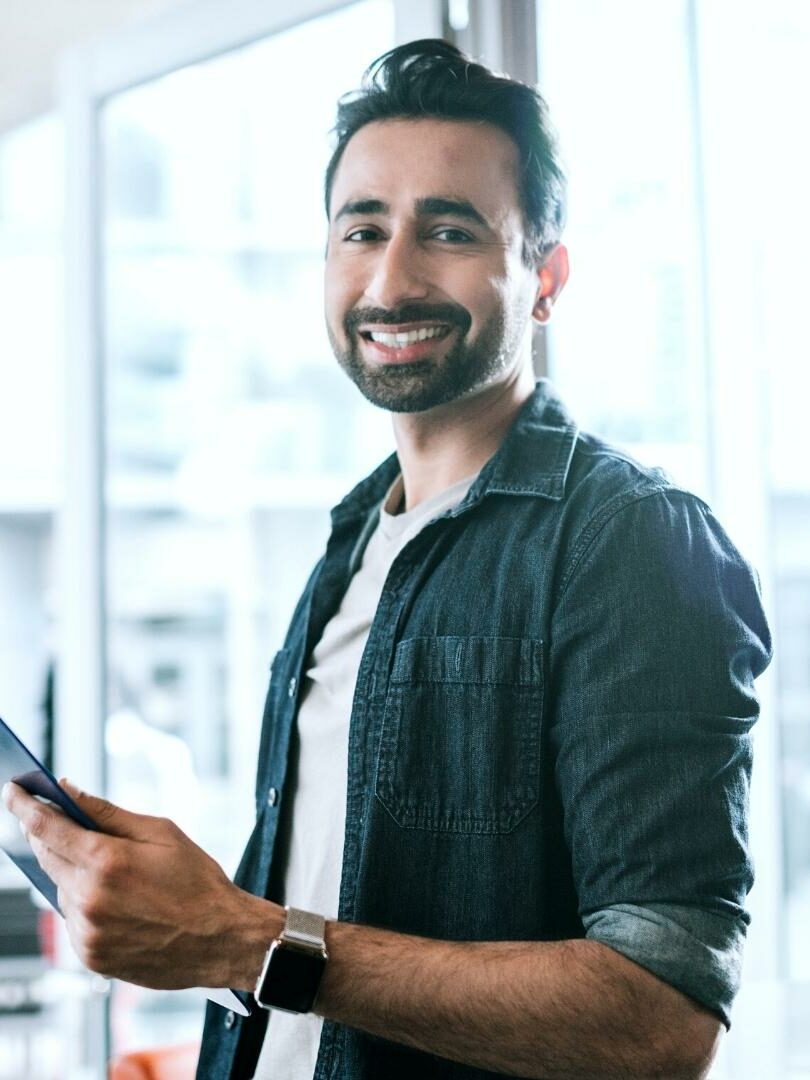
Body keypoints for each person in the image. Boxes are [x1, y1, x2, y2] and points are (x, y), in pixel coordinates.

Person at [3, 39, 772, 1080]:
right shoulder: (351, 542)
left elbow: (659, 1021)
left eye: (450, 230)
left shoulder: (632, 540)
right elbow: (325, 925)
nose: (392, 276)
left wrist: (240, 935)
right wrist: (180, 918)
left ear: (546, 278)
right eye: (361, 228)